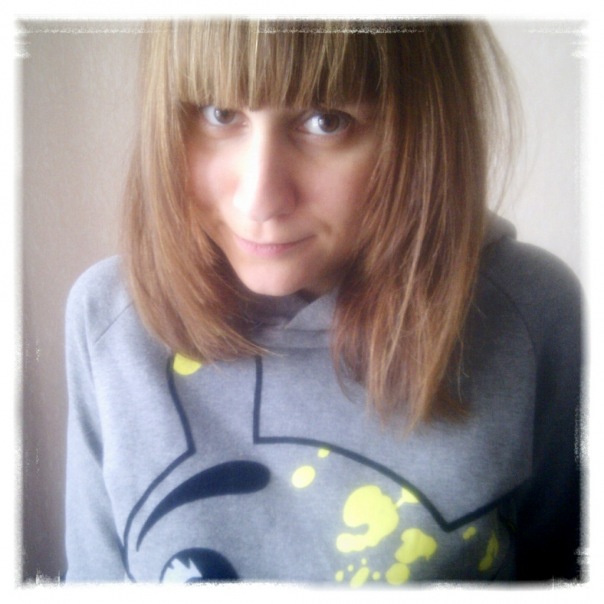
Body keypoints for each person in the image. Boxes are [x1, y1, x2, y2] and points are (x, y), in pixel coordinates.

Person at [64, 19, 582, 585]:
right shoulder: (109, 319)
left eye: (326, 121)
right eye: (220, 113)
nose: (259, 200)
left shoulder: (533, 315)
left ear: (426, 133)